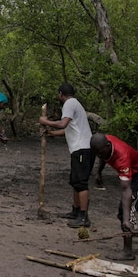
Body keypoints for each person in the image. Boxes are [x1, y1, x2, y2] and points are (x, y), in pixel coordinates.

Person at [91, 133, 138, 260]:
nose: (99, 156)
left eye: (101, 153)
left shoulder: (122, 157)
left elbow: (126, 189)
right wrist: (99, 172)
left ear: (108, 146)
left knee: (125, 209)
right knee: (135, 198)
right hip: (132, 171)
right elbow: (102, 156)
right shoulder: (104, 143)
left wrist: (126, 219)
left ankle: (128, 251)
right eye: (97, 154)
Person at [39, 82, 94, 227]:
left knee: (81, 183)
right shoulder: (75, 104)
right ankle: (75, 211)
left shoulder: (69, 103)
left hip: (82, 148)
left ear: (61, 94)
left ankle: (83, 216)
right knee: (75, 181)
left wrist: (46, 121)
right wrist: (50, 134)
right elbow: (67, 130)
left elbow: (63, 124)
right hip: (79, 149)